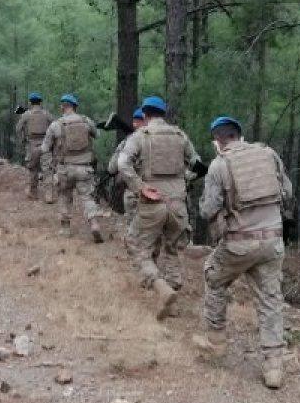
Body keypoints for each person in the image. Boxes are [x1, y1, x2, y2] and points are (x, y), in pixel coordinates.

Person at [198, 115, 294, 389]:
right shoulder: (268, 154)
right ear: (239, 135)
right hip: (272, 242)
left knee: (214, 278)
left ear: (218, 140)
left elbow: (208, 211)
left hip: (239, 244)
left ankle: (215, 342)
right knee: (270, 298)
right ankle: (273, 365)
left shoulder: (219, 165)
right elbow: (287, 191)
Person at [116, 96, 199, 318]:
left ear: (144, 114)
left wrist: (139, 186)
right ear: (164, 114)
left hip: (153, 201)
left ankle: (160, 287)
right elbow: (197, 165)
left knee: (135, 244)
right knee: (172, 249)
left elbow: (122, 164)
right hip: (178, 204)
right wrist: (182, 183)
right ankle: (172, 295)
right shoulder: (180, 136)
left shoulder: (140, 136)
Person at [41, 94, 103, 241]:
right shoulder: (86, 121)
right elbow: (97, 135)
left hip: (64, 169)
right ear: (75, 107)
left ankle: (65, 228)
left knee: (64, 197)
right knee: (87, 197)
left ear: (63, 106)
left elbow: (45, 148)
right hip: (84, 168)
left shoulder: (56, 125)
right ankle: (94, 223)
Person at [107, 108, 146, 246]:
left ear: (135, 122)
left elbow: (112, 168)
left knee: (133, 232)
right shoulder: (162, 141)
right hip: (158, 193)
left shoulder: (127, 142)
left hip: (133, 193)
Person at [16, 92, 54, 201]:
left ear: (30, 102)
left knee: (33, 169)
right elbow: (55, 126)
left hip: (31, 144)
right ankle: (49, 195)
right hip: (45, 144)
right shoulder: (47, 114)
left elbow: (18, 129)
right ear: (40, 102)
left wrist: (23, 139)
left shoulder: (26, 115)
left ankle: (33, 193)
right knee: (47, 169)